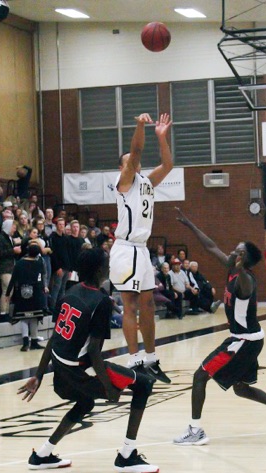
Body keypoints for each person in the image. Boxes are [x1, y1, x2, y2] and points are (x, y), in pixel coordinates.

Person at [17, 248, 158, 473]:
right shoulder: (101, 301)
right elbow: (94, 352)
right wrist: (107, 387)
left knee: (85, 403)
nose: (110, 266)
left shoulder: (70, 291)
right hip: (80, 369)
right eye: (107, 263)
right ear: (98, 270)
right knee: (144, 384)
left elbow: (55, 337)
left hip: (60, 365)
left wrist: (39, 375)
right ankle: (127, 455)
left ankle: (42, 454)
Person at [173, 207, 266, 445]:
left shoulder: (246, 280)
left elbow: (245, 280)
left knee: (200, 376)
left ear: (244, 259)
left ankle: (195, 431)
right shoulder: (233, 266)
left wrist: (242, 265)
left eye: (239, 249)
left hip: (242, 340)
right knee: (241, 389)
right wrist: (190, 224)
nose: (234, 249)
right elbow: (211, 246)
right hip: (250, 339)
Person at [109, 112, 173, 383]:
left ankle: (151, 358)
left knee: (147, 305)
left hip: (142, 250)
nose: (133, 163)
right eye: (127, 162)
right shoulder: (124, 182)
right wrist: (139, 125)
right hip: (125, 248)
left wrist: (162, 138)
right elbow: (135, 150)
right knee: (129, 305)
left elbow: (168, 165)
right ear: (123, 167)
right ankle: (134, 360)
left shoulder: (146, 182)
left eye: (133, 163)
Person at [7, 243, 47, 351]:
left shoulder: (20, 263)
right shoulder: (39, 263)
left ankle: (25, 342)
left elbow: (13, 279)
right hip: (36, 292)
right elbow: (41, 278)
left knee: (24, 317)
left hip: (22, 292)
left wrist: (7, 293)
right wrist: (44, 288)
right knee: (34, 317)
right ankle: (34, 341)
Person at [0, 219, 22, 322]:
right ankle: (3, 313)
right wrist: (13, 250)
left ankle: (6, 312)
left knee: (9, 292)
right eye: (13, 227)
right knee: (6, 290)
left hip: (11, 267)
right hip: (4, 268)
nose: (14, 229)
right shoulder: (0, 238)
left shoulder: (10, 238)